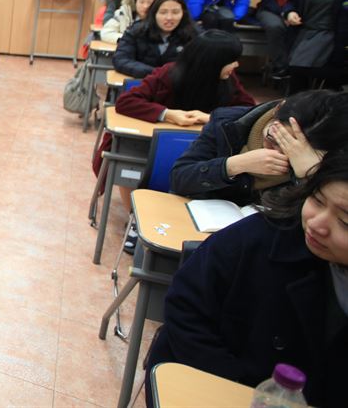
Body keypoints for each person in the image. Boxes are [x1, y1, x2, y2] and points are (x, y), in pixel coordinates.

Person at [145, 148, 348, 408]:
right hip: (216, 389)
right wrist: (232, 165)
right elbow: (185, 307)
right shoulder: (260, 237)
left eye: (344, 221)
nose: (318, 223)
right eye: (317, 200)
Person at [95, 30, 256, 251]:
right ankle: (136, 218)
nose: (236, 65)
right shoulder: (169, 73)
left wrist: (212, 117)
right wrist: (167, 114)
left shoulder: (228, 81)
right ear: (212, 62)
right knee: (132, 166)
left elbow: (250, 112)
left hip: (202, 151)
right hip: (158, 143)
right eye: (231, 61)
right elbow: (126, 101)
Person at [171, 90, 348, 206]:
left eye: (292, 149)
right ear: (277, 109)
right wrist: (233, 165)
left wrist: (310, 176)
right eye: (273, 138)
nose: (275, 152)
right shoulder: (227, 122)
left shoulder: (331, 153)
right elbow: (180, 179)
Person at [113, 0, 198, 78]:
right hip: (141, 82)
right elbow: (121, 59)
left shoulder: (194, 36)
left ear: (183, 14)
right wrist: (156, 73)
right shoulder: (136, 31)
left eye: (175, 12)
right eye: (163, 12)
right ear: (154, 14)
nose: (169, 18)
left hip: (177, 86)